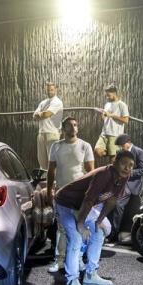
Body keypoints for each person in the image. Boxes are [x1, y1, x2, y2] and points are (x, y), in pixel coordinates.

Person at [54, 150, 134, 285]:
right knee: (76, 238)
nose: (127, 168)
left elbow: (112, 200)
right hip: (65, 202)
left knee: (99, 231)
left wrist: (98, 220)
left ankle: (90, 275)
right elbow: (89, 200)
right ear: (115, 161)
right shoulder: (104, 174)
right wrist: (81, 224)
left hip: (81, 206)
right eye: (124, 163)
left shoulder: (124, 176)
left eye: (131, 165)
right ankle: (72, 283)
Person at [46, 117, 95, 273]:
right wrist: (49, 190)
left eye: (75, 125)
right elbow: (51, 170)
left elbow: (91, 173)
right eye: (69, 125)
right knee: (61, 228)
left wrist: (91, 194)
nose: (73, 127)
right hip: (61, 193)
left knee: (80, 226)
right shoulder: (56, 146)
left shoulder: (84, 146)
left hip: (79, 194)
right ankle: (59, 261)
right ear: (63, 129)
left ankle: (79, 259)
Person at [107, 134, 143, 243]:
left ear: (128, 142)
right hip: (120, 184)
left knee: (118, 206)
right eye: (119, 146)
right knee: (115, 206)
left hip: (133, 186)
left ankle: (113, 235)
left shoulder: (139, 152)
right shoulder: (120, 153)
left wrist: (128, 173)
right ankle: (112, 234)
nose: (120, 148)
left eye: (121, 145)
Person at [94, 84, 130, 163]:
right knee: (98, 151)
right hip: (104, 133)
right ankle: (116, 152)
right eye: (106, 95)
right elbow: (106, 117)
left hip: (114, 134)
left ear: (114, 93)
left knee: (112, 160)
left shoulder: (122, 105)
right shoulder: (107, 104)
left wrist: (112, 115)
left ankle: (116, 153)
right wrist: (103, 116)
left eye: (108, 95)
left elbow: (126, 120)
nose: (107, 97)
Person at [33, 82, 63, 170]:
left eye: (51, 89)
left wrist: (40, 114)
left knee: (53, 161)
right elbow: (34, 116)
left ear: (56, 90)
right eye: (48, 90)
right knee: (42, 162)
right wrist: (40, 114)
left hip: (52, 133)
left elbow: (47, 114)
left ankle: (55, 182)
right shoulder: (43, 102)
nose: (49, 91)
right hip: (41, 133)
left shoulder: (57, 102)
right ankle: (44, 182)